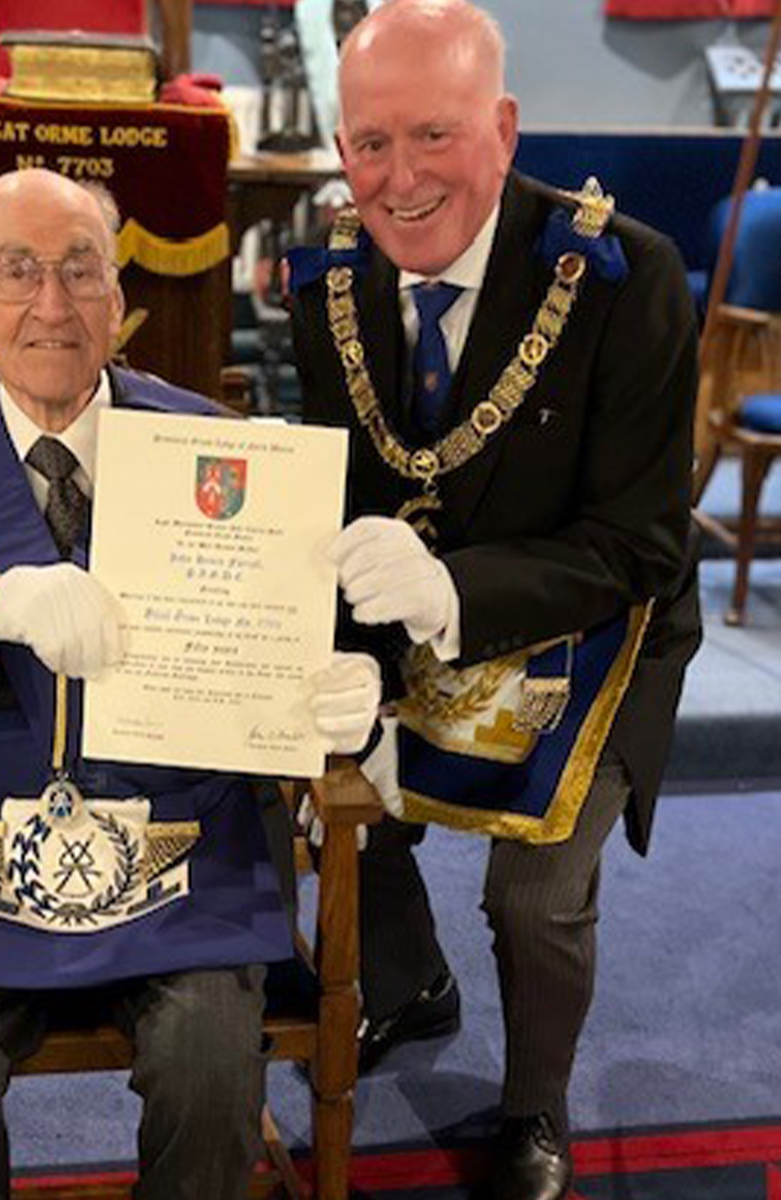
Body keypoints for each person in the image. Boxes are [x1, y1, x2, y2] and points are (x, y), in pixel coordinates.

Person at [0, 167, 381, 1200]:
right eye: (17, 271)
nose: (52, 305)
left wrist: (331, 691)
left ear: (119, 296)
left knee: (207, 1060)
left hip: (183, 840)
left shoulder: (216, 446)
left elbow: (287, 641)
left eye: (80, 272)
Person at [286, 3, 701, 1198]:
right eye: (369, 143)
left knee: (532, 893)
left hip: (597, 627)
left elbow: (637, 543)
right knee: (321, 779)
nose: (398, 180)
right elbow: (339, 498)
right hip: (417, 627)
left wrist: (451, 592)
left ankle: (534, 1107)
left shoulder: (627, 276)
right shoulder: (327, 291)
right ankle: (411, 977)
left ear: (503, 129)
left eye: (434, 135)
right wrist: (354, 650)